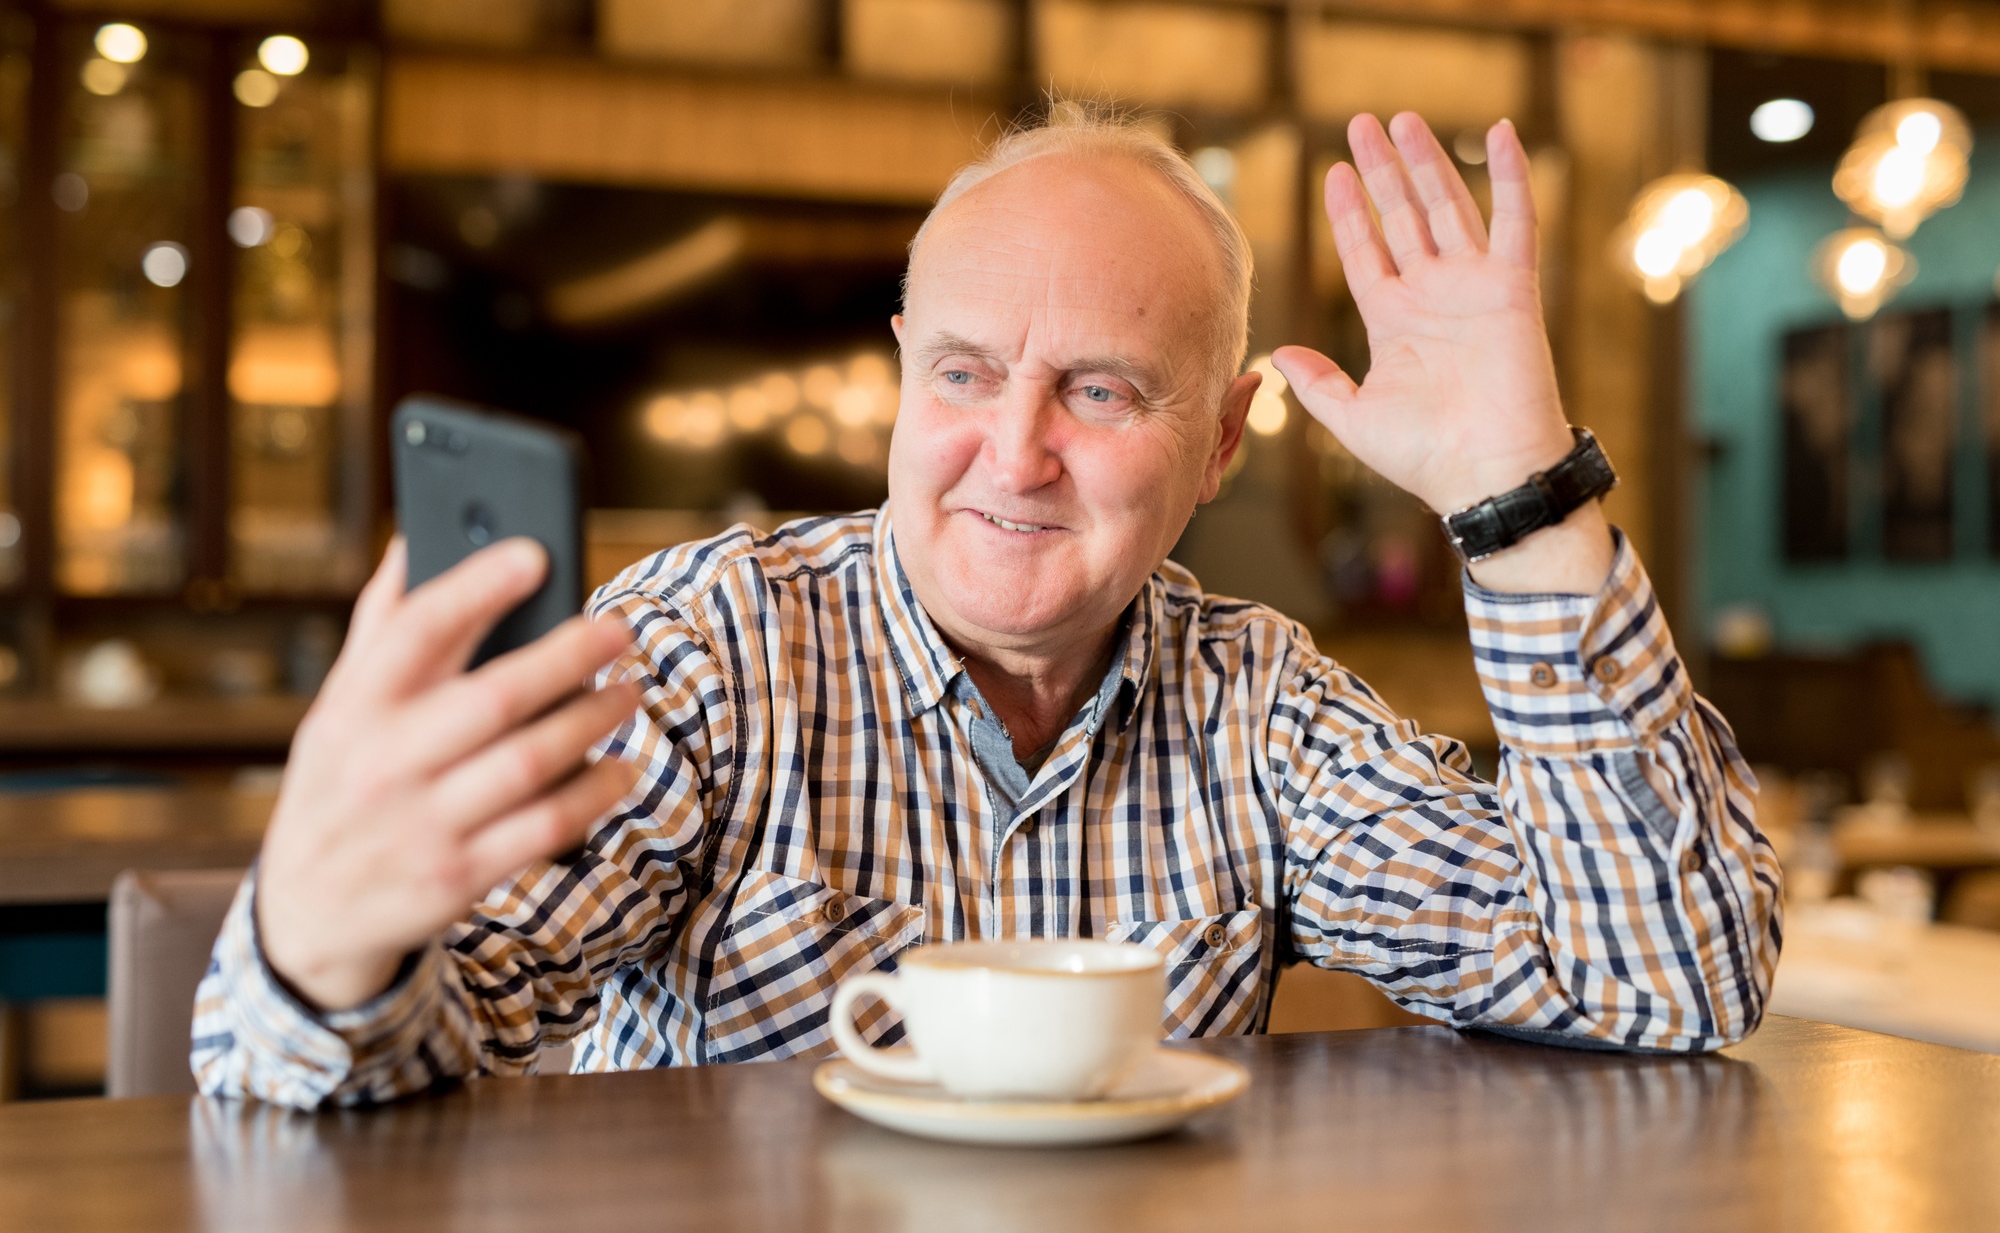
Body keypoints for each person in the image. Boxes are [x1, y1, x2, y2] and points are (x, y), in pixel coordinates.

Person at [194, 104, 1781, 1108]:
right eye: (964, 373)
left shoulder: (1262, 705)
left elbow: (1658, 984)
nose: (1012, 454)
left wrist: (1521, 499)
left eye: (1099, 389)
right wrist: (323, 950)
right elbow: (362, 1056)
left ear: (1222, 440)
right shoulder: (708, 653)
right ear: (904, 370)